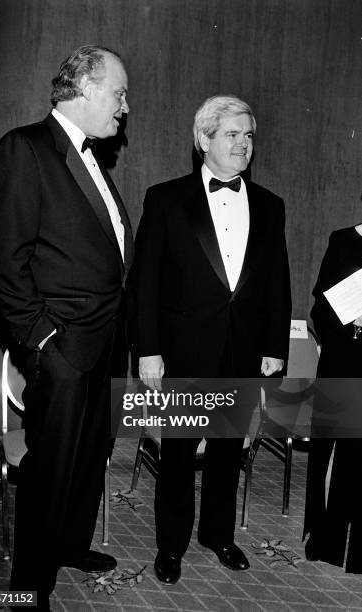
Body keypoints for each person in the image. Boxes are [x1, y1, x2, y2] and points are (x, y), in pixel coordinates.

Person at [0, 45, 133, 608]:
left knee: (90, 459)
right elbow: (2, 263)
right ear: (88, 88)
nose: (124, 106)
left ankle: (70, 545)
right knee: (50, 472)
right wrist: (44, 340)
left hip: (105, 343)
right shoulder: (24, 148)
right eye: (118, 92)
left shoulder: (92, 156)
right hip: (63, 347)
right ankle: (28, 587)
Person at [131, 95, 292, 584]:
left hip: (242, 351)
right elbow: (144, 284)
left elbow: (277, 283)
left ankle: (218, 535)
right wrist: (149, 350)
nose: (243, 144)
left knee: (228, 452)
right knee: (178, 454)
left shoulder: (270, 204)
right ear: (204, 140)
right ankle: (171, 544)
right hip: (182, 352)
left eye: (248, 135)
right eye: (232, 134)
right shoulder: (165, 199)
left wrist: (274, 348)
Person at [304, 225, 362, 573]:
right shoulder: (343, 241)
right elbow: (321, 309)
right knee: (332, 451)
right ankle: (326, 538)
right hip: (344, 356)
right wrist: (349, 319)